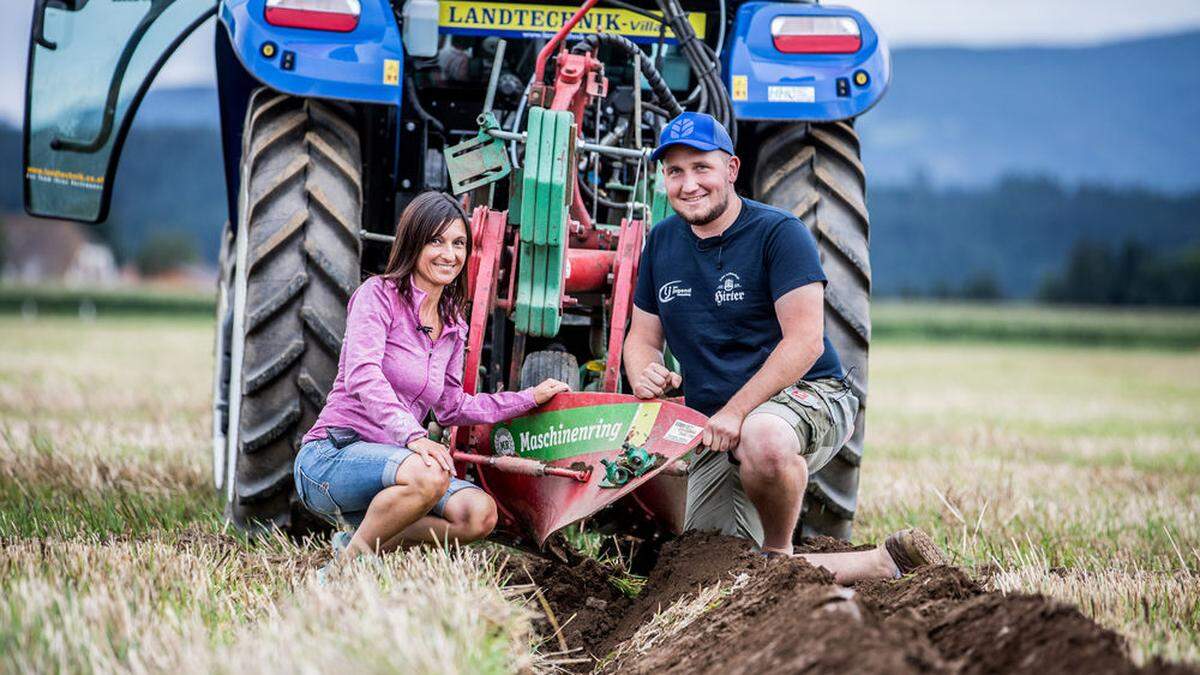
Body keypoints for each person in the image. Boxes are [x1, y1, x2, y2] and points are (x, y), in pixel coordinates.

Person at [623, 113, 944, 582]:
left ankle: (779, 555)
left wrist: (736, 412)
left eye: (701, 168)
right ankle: (882, 564)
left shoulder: (779, 232)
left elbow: (805, 343)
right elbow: (642, 338)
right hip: (720, 423)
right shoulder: (662, 243)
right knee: (712, 571)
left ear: (731, 170)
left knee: (766, 440)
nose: (688, 184)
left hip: (809, 394)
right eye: (675, 171)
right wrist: (643, 369)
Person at [294, 191, 570, 563]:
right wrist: (414, 437)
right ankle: (346, 567)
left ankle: (362, 540)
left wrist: (528, 398)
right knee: (430, 472)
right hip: (333, 457)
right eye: (436, 241)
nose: (449, 254)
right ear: (413, 242)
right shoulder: (378, 296)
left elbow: (453, 406)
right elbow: (362, 374)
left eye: (459, 243)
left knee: (479, 514)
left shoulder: (453, 325)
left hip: (399, 467)